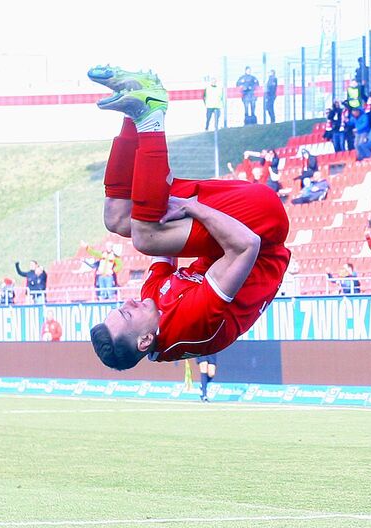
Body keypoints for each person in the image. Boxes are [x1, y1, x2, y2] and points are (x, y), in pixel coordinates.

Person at [85, 65, 290, 370]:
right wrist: (193, 207)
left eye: (121, 307)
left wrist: (163, 202)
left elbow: (158, 240)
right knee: (144, 235)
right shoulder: (191, 325)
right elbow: (247, 245)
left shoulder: (150, 302)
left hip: (226, 229)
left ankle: (133, 110)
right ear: (144, 341)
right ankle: (150, 114)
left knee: (117, 218)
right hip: (261, 228)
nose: (127, 302)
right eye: (126, 313)